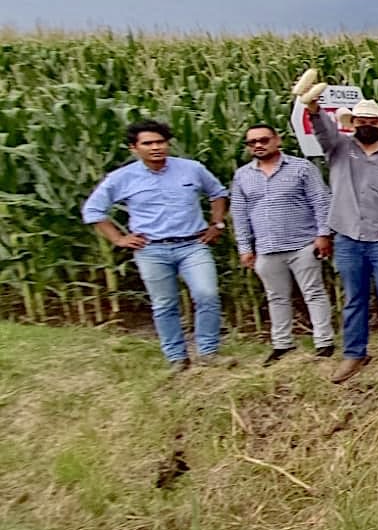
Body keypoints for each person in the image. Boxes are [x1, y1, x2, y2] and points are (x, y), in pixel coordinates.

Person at [83, 119, 232, 374]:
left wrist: (216, 224)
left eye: (160, 142)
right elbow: (93, 211)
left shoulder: (191, 169)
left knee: (207, 294)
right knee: (164, 304)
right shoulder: (121, 178)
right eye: (148, 143)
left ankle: (208, 353)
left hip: (192, 244)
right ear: (134, 148)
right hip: (151, 249)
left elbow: (217, 193)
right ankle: (177, 358)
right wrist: (118, 239)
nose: (156, 148)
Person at [311, 97, 378, 383]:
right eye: (361, 121)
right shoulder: (338, 148)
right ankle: (354, 353)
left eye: (373, 122)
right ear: (353, 124)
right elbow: (323, 130)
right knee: (354, 300)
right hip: (348, 237)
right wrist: (313, 109)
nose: (367, 125)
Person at [229, 123, 336, 366]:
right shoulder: (243, 175)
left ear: (277, 140)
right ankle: (282, 344)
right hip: (266, 247)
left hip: (303, 243)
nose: (258, 145)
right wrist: (245, 248)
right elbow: (240, 213)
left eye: (264, 140)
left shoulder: (301, 168)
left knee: (314, 292)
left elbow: (320, 200)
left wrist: (323, 234)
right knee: (276, 297)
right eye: (252, 142)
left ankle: (324, 342)